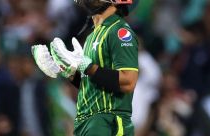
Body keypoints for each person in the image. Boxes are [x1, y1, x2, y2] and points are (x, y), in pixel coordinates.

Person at [31, 0, 138, 135]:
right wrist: (67, 71)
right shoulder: (93, 35)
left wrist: (86, 66)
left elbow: (128, 82)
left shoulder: (119, 32)